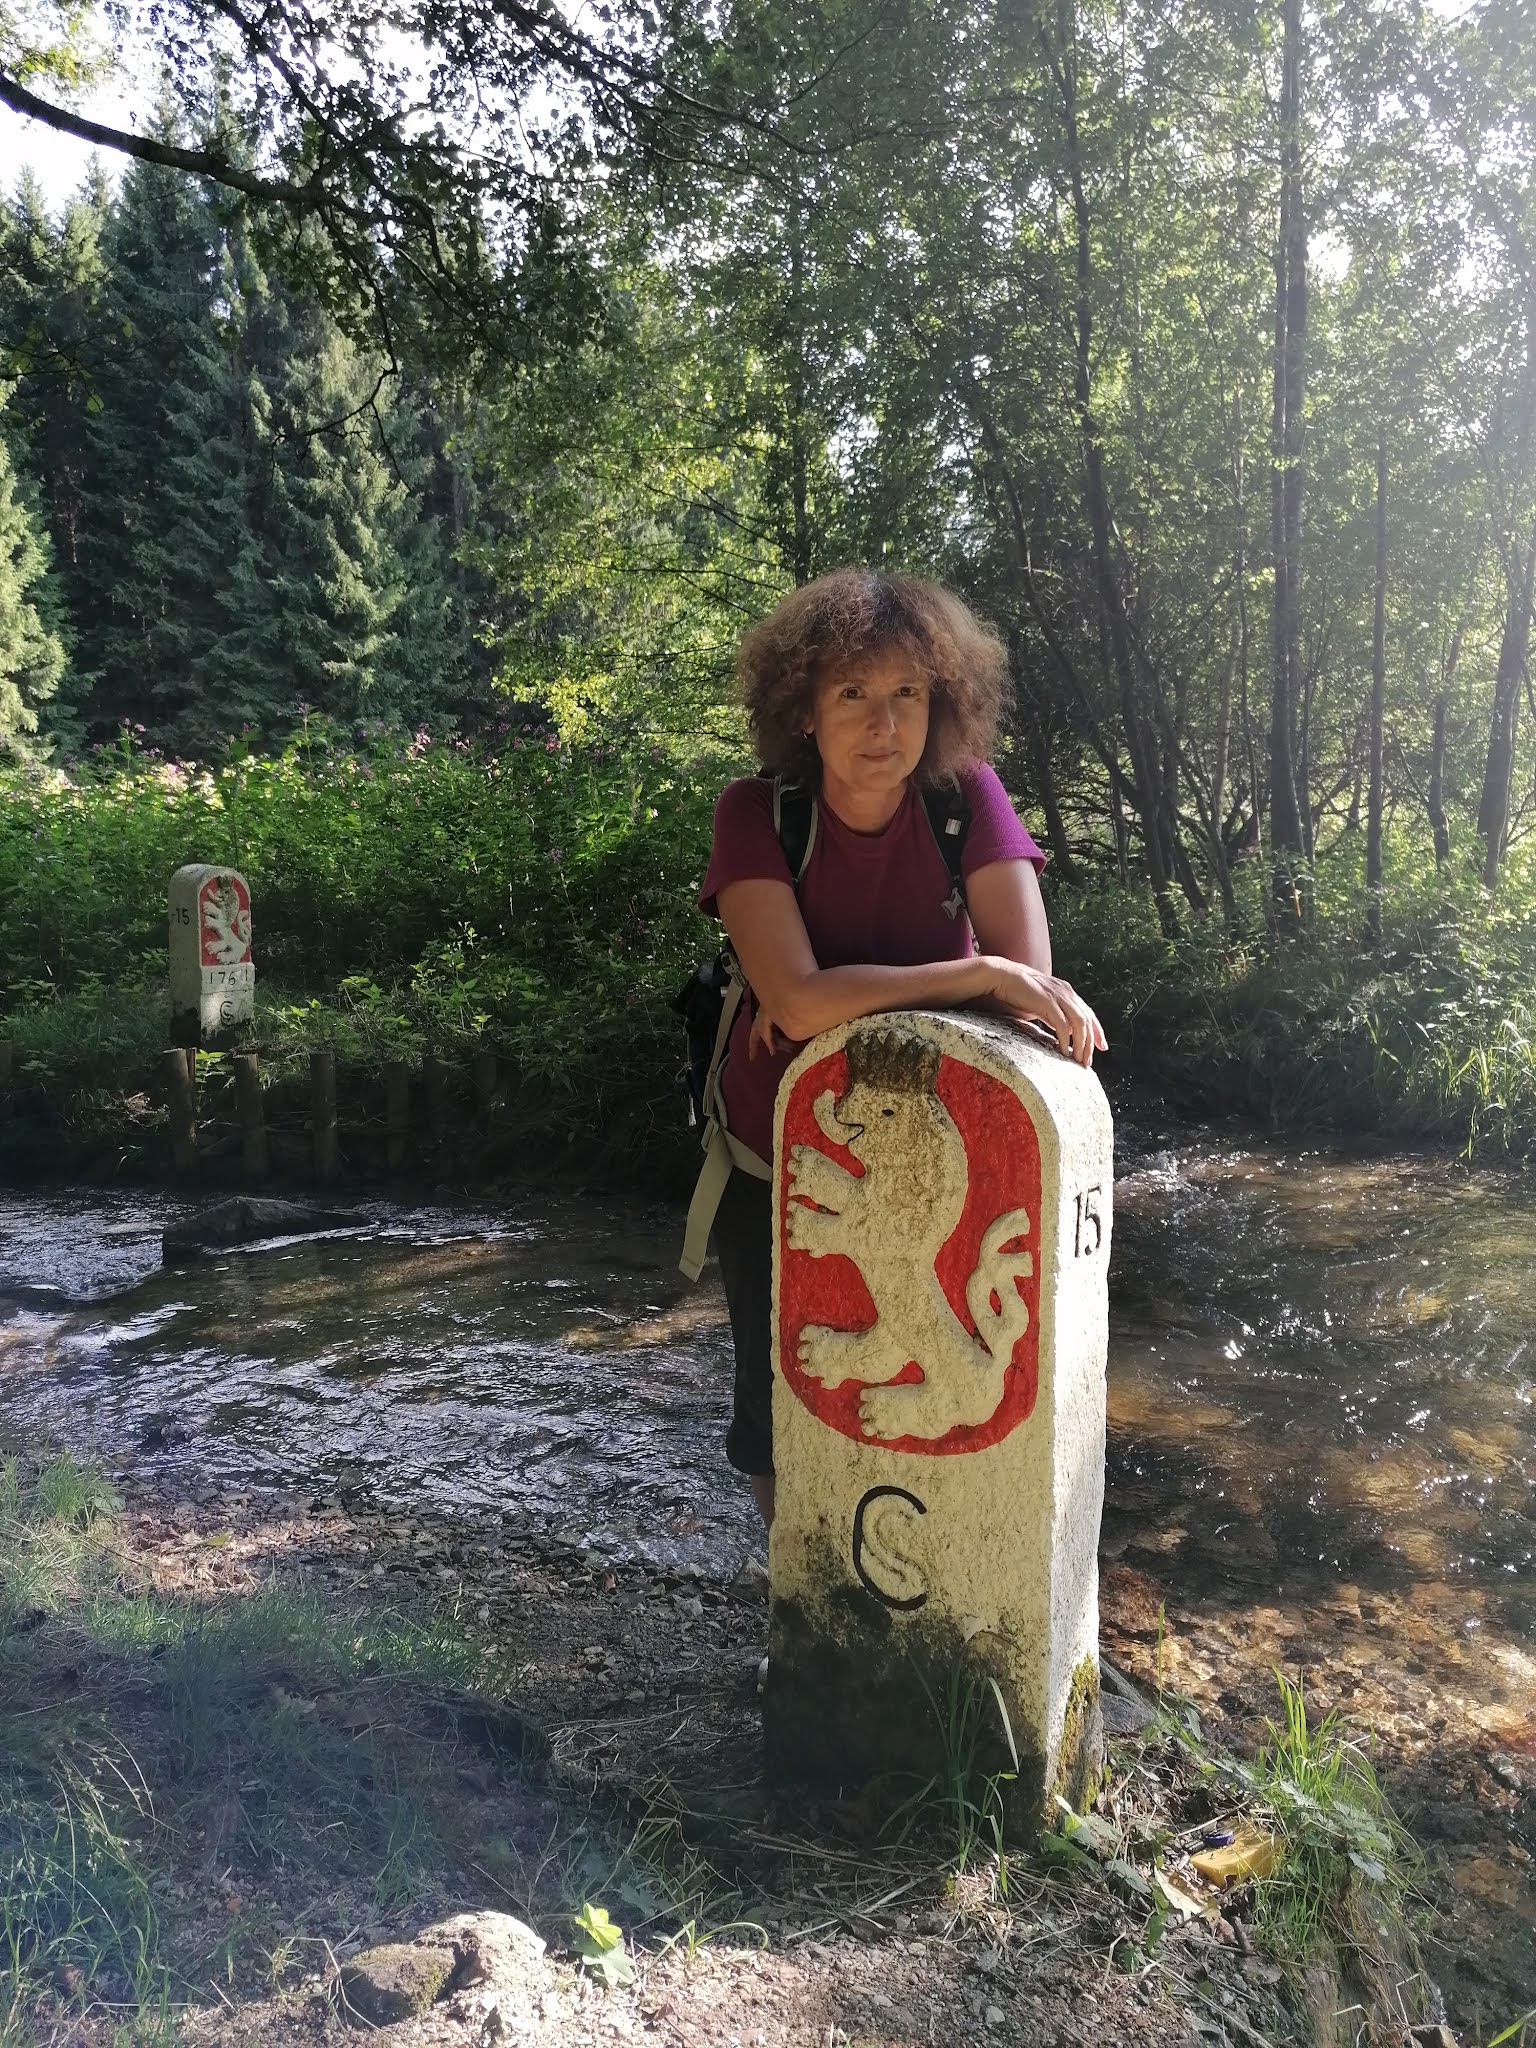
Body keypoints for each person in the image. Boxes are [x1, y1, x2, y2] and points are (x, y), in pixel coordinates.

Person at [693, 570, 1105, 1530]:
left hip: (938, 1165)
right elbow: (801, 1000)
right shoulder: (755, 813)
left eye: (908, 693)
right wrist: (970, 975)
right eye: (853, 693)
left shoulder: (966, 799)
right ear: (803, 711)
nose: (885, 725)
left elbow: (1031, 991)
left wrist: (838, 1001)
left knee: (927, 1376)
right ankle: (793, 1586)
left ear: (941, 700)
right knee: (777, 1403)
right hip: (773, 1153)